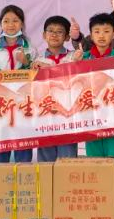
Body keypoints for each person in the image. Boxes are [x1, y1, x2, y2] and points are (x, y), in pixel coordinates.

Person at [0, 4, 36, 164]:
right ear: (1, 23)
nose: (11, 25)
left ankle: (24, 178)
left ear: (22, 23)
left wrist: (26, 62)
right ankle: (1, 178)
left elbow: (37, 78)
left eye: (15, 21)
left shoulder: (30, 49)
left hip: (23, 105)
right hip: (1, 105)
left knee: (23, 149)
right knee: (2, 151)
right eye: (6, 21)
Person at [35, 16, 81, 162]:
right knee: (45, 163)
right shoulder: (36, 60)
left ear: (67, 37)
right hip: (45, 117)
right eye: (50, 31)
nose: (54, 35)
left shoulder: (74, 57)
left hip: (68, 118)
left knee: (67, 161)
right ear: (44, 35)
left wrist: (50, 68)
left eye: (60, 32)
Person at [82, 13, 114, 158]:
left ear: (113, 34)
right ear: (91, 35)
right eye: (97, 31)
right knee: (93, 160)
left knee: (113, 159)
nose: (101, 35)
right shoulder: (83, 58)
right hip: (90, 117)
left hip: (113, 116)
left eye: (106, 31)